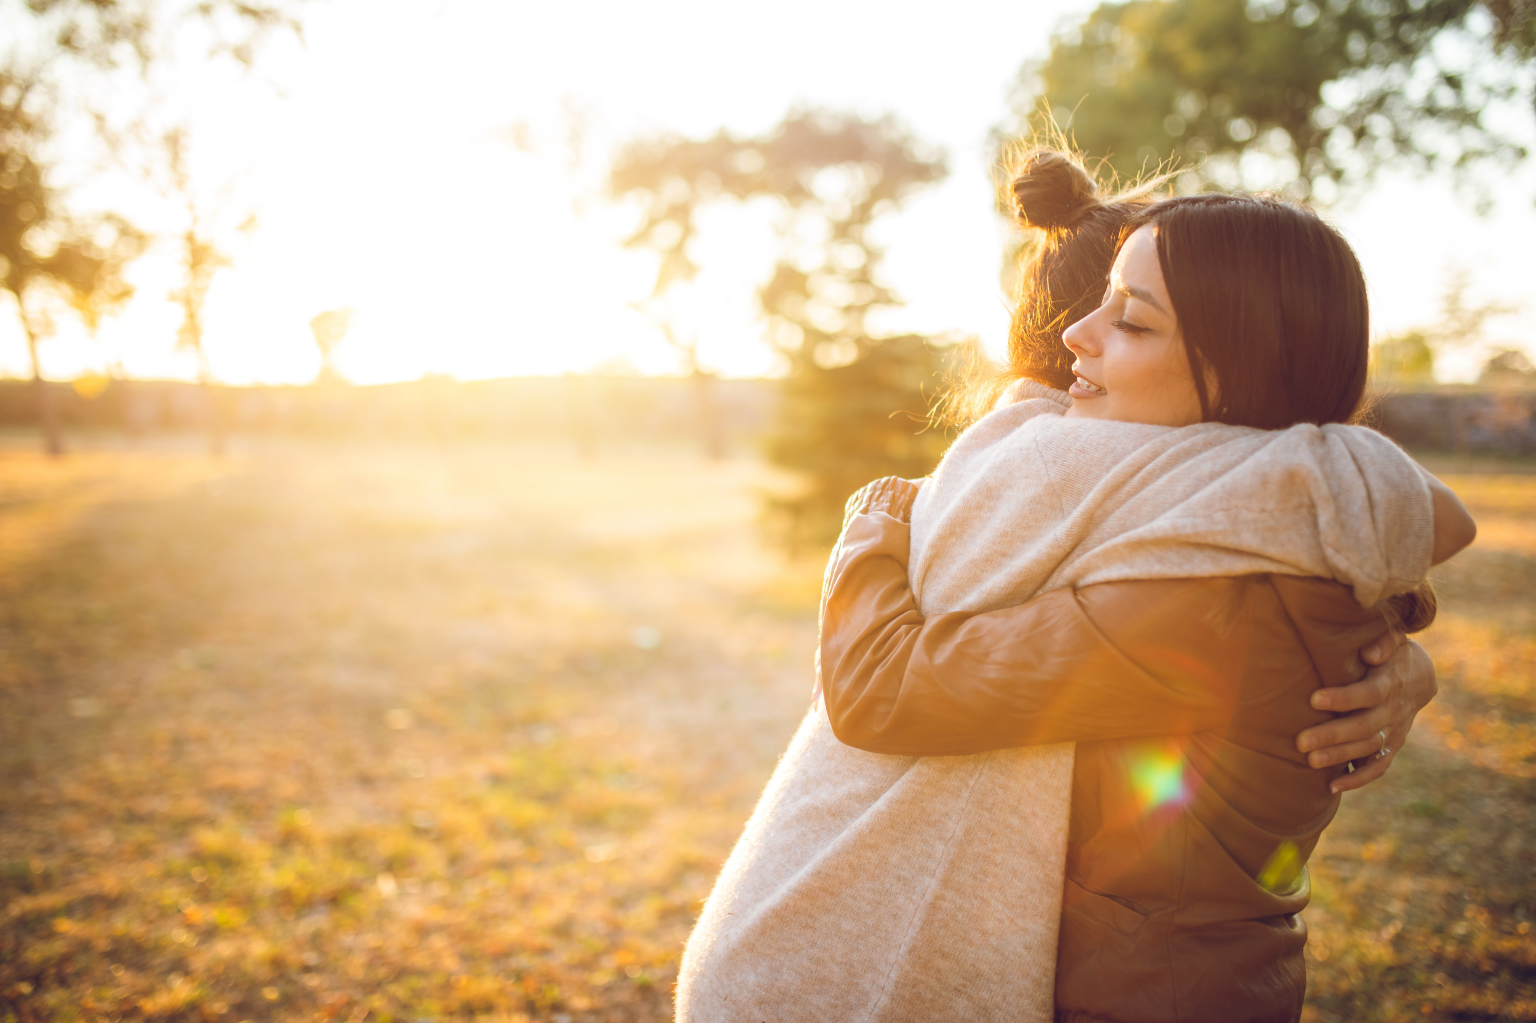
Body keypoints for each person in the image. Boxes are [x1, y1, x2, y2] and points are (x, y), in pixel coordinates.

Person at [674, 153, 1455, 1023]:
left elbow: (884, 691)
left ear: (1237, 373)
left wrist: (875, 522)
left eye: (1135, 322)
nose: (1081, 334)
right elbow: (1393, 507)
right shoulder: (1233, 533)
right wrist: (1410, 639)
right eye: (1096, 304)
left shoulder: (1221, 603)